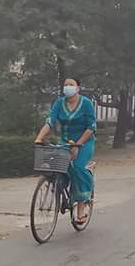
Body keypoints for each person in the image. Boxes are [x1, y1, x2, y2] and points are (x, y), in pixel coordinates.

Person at [34, 78, 96, 223]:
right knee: (57, 168)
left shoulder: (86, 103)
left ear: (78, 88)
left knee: (77, 168)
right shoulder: (59, 103)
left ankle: (81, 207)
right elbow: (50, 121)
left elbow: (91, 127)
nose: (68, 87)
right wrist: (39, 139)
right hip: (65, 142)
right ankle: (62, 190)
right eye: (66, 85)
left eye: (71, 85)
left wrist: (77, 145)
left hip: (84, 142)